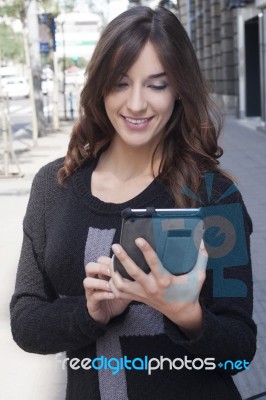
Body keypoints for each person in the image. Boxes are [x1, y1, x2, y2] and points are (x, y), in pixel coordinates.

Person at [10, 5, 256, 400]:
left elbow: (240, 348)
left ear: (180, 90)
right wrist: (89, 313)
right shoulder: (53, 188)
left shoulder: (214, 196)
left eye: (158, 84)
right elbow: (25, 322)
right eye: (121, 83)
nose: (137, 104)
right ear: (99, 86)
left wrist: (184, 313)